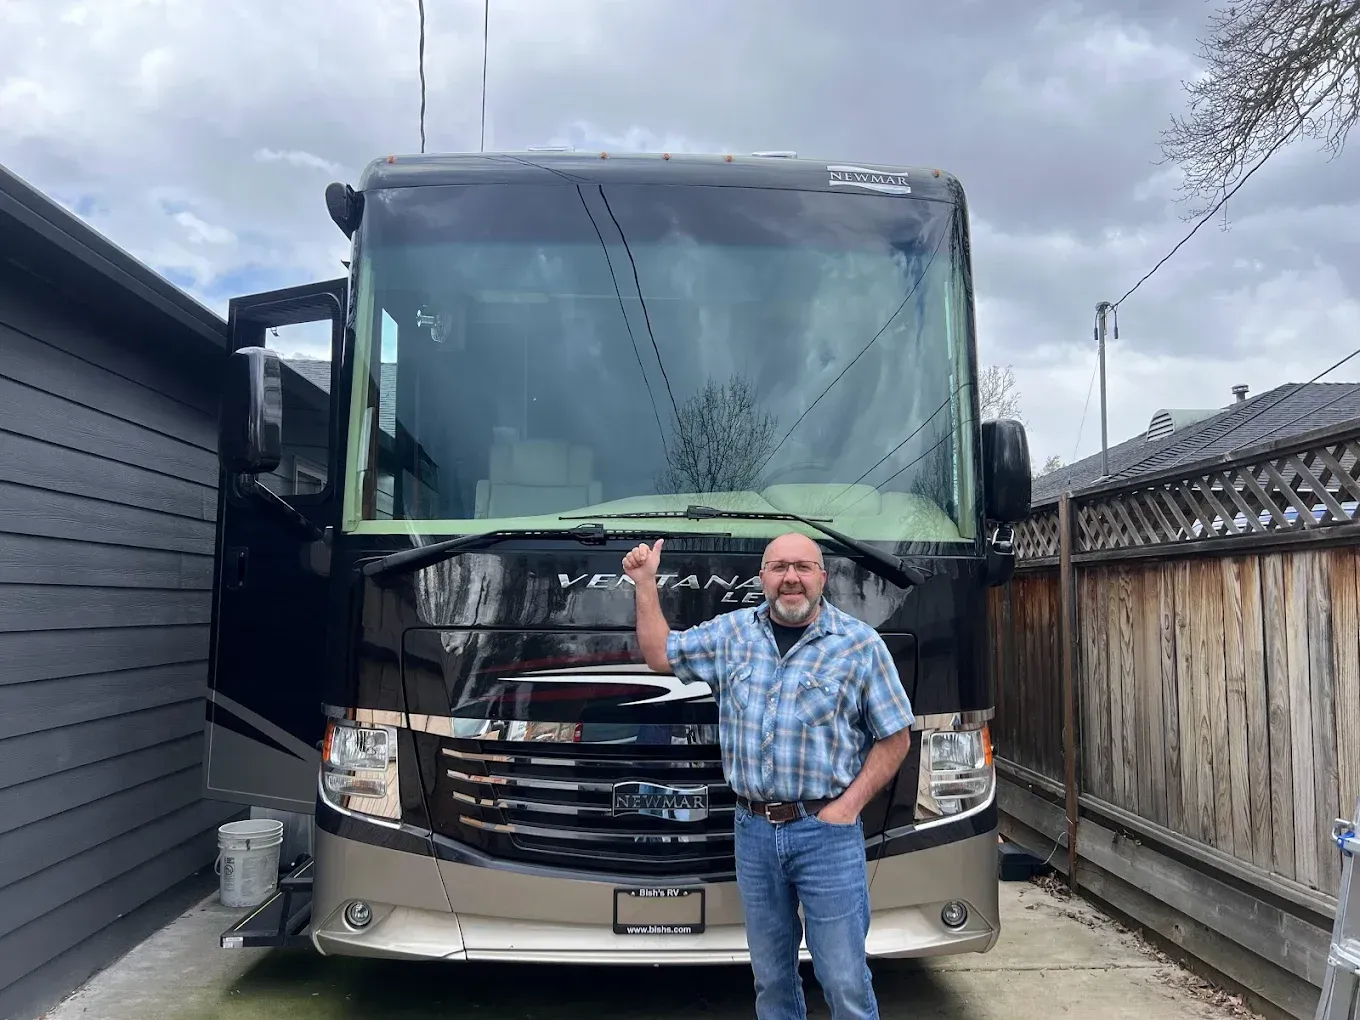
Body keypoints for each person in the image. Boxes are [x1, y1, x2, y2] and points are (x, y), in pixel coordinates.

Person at [621, 531, 915, 1020]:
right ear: (762, 578)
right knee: (772, 979)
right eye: (779, 568)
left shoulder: (860, 645)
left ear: (823, 577)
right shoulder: (731, 634)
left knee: (843, 979)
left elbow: (896, 737)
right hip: (753, 833)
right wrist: (645, 583)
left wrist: (847, 807)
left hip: (826, 833)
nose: (791, 578)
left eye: (803, 567)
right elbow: (659, 654)